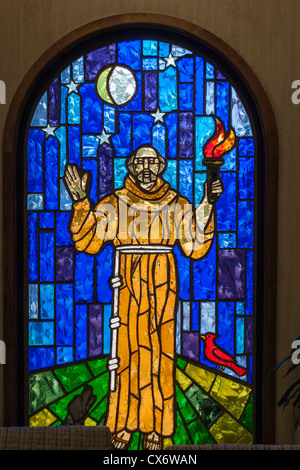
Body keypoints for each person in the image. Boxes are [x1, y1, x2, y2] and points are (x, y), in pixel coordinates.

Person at [64, 145, 223, 450]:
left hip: (162, 283)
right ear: (131, 168)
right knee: (125, 355)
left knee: (160, 355)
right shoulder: (116, 203)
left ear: (162, 167)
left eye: (152, 162)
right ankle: (123, 423)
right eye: (141, 163)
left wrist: (207, 201)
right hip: (127, 285)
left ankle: (156, 427)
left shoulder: (175, 203)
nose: (147, 168)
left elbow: (195, 243)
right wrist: (81, 200)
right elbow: (89, 240)